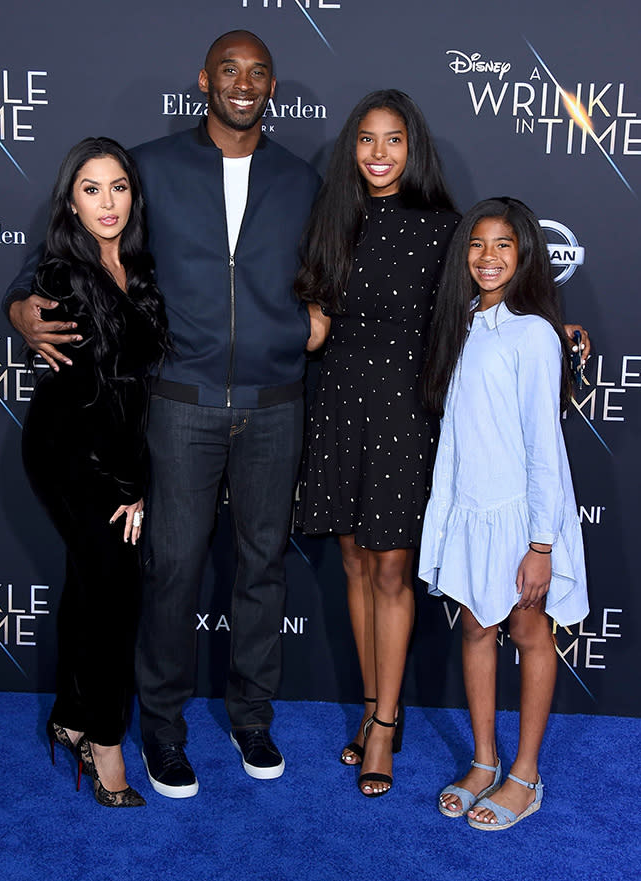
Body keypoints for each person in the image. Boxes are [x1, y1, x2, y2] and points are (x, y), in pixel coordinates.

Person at [5, 31, 322, 796]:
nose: (241, 83)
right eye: (228, 70)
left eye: (257, 73)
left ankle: (251, 716)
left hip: (274, 404)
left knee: (261, 572)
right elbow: (72, 234)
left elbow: (338, 268)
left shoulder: (302, 178)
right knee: (171, 572)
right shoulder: (150, 163)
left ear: (272, 86)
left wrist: (316, 320)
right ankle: (162, 731)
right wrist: (19, 304)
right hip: (178, 405)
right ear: (203, 80)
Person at [295, 90, 459, 797]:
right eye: (366, 139)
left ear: (412, 147)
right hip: (336, 401)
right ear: (351, 148)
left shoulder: (445, 227)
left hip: (403, 407)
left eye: (393, 140)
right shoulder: (334, 219)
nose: (379, 154)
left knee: (392, 568)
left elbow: (484, 305)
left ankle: (386, 726)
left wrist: (557, 332)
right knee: (356, 564)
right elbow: (313, 325)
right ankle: (368, 708)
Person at [419, 197, 589, 829]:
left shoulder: (534, 333)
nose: (488, 258)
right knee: (474, 629)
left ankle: (525, 773)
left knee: (526, 632)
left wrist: (540, 544)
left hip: (519, 518)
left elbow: (545, 444)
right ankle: (484, 762)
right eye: (477, 245)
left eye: (503, 246)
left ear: (523, 257)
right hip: (467, 509)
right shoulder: (458, 321)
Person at [21, 137, 170, 807]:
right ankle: (105, 740)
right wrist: (130, 486)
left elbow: (131, 387)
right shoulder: (63, 276)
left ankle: (71, 713)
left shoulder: (135, 264)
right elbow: (93, 395)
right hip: (69, 450)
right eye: (91, 188)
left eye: (118, 187)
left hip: (111, 446)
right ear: (70, 201)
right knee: (114, 594)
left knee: (93, 581)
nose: (107, 202)